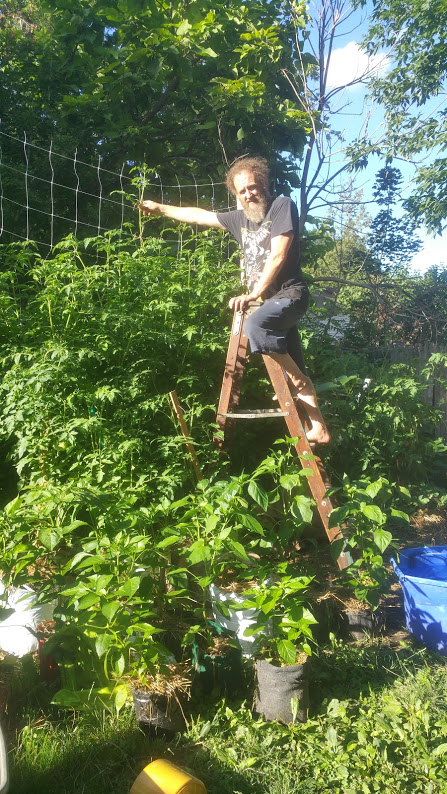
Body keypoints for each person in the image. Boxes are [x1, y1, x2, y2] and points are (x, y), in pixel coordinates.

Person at [139, 157, 330, 444]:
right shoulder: (238, 219)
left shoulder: (281, 206)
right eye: (242, 191)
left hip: (290, 294)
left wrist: (253, 294)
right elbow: (198, 215)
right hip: (269, 302)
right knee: (292, 360)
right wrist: (160, 208)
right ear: (236, 195)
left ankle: (299, 382)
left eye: (253, 187)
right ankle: (320, 428)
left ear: (263, 185)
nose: (248, 194)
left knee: (256, 327)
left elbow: (278, 255)